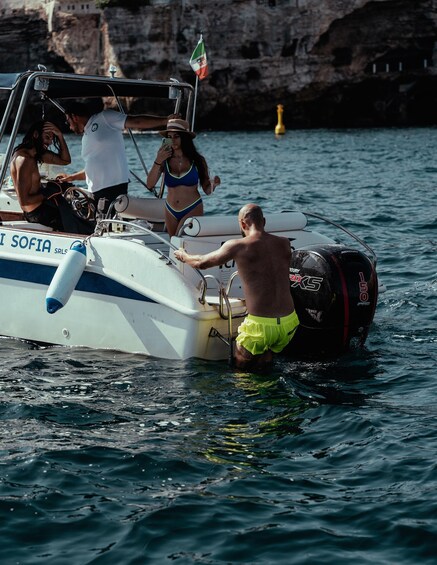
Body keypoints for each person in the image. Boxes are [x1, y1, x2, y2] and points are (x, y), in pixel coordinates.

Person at [174, 204, 299, 370]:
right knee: (266, 357)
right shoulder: (284, 243)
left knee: (241, 365)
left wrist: (183, 255)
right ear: (264, 221)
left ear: (242, 224)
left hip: (260, 326)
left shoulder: (238, 246)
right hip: (289, 323)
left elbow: (201, 263)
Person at [57, 100, 177, 214]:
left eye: (68, 121)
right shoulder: (86, 136)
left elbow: (135, 122)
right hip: (96, 193)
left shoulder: (105, 117)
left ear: (74, 117)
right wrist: (71, 178)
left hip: (112, 189)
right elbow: (92, 169)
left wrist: (166, 121)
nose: (69, 127)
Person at [146, 118, 221, 236]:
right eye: (169, 137)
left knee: (179, 243)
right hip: (170, 209)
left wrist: (213, 184)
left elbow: (207, 190)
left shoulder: (197, 160)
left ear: (184, 138)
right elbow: (150, 184)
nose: (172, 140)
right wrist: (158, 160)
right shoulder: (163, 160)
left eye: (176, 136)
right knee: (174, 246)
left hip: (192, 207)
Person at [10, 120, 71, 230]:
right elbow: (24, 201)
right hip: (38, 214)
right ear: (36, 135)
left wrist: (60, 136)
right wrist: (48, 192)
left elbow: (65, 160)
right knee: (75, 221)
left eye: (52, 139)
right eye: (47, 137)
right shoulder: (25, 160)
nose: (50, 142)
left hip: (40, 209)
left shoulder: (34, 153)